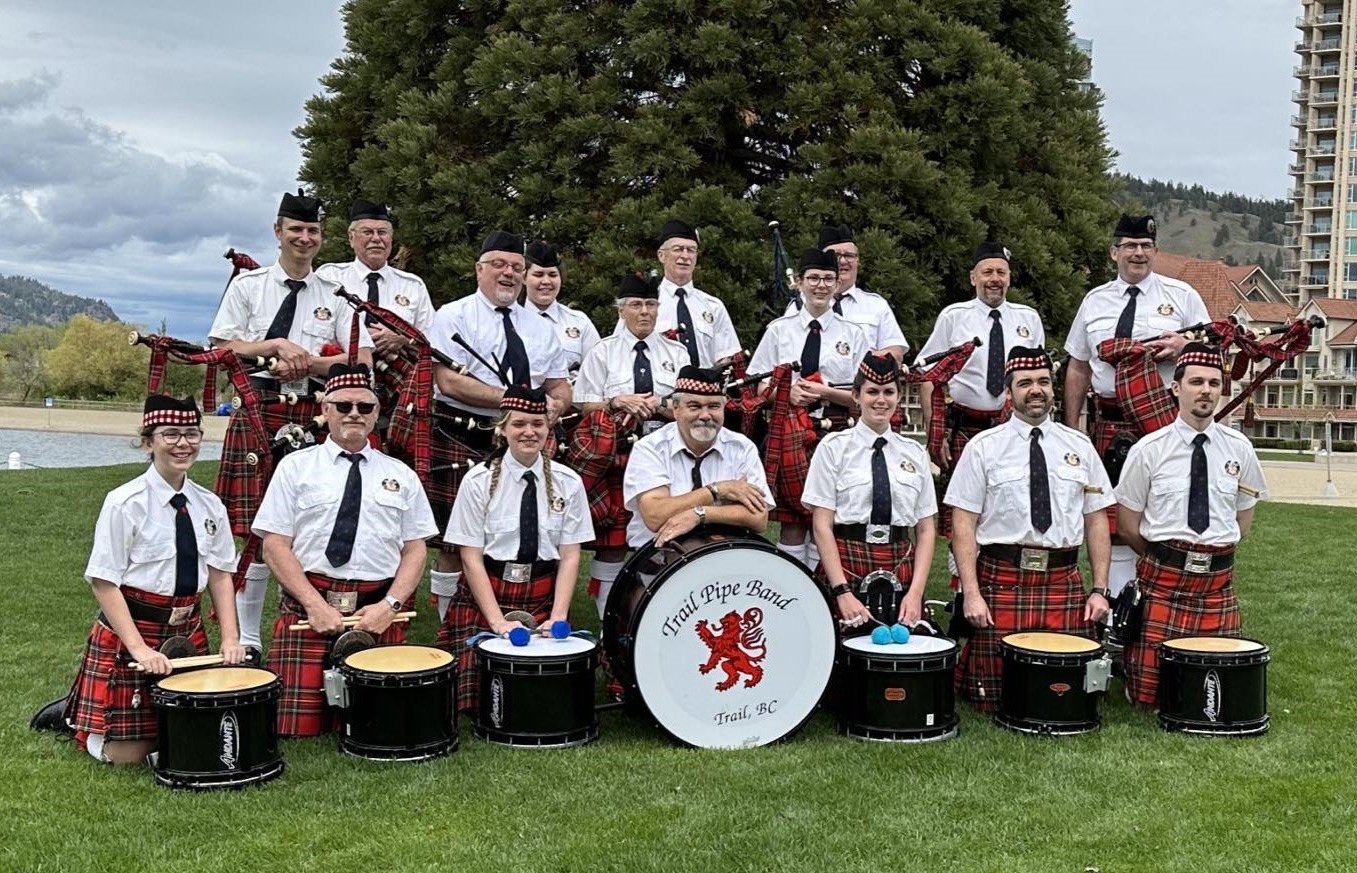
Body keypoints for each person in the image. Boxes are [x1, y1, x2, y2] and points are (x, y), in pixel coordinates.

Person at [209, 190, 375, 657]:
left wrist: (307, 365)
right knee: (254, 527)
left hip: (314, 411)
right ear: (278, 232)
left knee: (301, 522)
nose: (304, 238)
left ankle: (299, 618)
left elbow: (359, 358)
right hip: (258, 408)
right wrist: (275, 346)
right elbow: (222, 347)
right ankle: (247, 637)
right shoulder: (249, 286)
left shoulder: (336, 295)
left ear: (322, 238)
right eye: (296, 230)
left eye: (313, 231)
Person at [48, 395, 243, 763]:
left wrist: (231, 638)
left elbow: (220, 575)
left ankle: (90, 717)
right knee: (130, 755)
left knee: (199, 731)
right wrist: (139, 649)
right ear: (147, 441)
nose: (183, 443)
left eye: (192, 433)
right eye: (170, 434)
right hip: (133, 631)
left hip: (188, 631)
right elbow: (104, 582)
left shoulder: (209, 504)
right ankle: (77, 723)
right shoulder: (125, 502)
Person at [252, 364, 437, 737]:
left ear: (376, 414)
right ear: (324, 408)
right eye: (343, 405)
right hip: (310, 605)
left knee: (382, 724)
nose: (354, 413)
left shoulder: (401, 475)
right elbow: (274, 545)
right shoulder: (294, 468)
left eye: (364, 407)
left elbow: (416, 550)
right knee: (293, 727)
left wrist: (392, 606)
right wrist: (312, 604)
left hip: (376, 610)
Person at [945, 348, 1114, 710]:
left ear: (1053, 389)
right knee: (989, 696)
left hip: (1062, 580)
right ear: (1009, 393)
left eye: (1042, 382)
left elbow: (1097, 520)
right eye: (1024, 383)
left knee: (1065, 689)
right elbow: (963, 523)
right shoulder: (983, 448)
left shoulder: (1080, 447)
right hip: (1001, 578)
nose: (1035, 390)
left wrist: (1100, 589)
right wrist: (971, 593)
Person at [1063, 213, 1210, 606]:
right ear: (1114, 252)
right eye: (1130, 246)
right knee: (1109, 515)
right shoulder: (1094, 301)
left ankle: (1159, 597)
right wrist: (1070, 425)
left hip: (1161, 419)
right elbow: (1077, 366)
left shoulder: (1182, 297)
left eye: (1146, 246)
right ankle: (1109, 605)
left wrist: (1185, 347)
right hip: (1107, 423)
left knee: (1161, 508)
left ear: (1156, 251)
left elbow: (1212, 354)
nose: (1139, 253)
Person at [425, 231, 571, 619]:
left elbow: (559, 383)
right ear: (479, 270)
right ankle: (447, 622)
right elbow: (448, 381)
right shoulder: (453, 315)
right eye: (499, 265)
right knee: (454, 542)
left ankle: (520, 605)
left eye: (517, 267)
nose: (508, 273)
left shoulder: (540, 326)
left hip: (525, 438)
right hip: (463, 432)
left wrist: (555, 405)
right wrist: (513, 401)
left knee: (521, 528)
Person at [1114, 343, 1268, 706]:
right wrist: (1167, 557)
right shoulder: (1149, 449)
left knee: (1220, 692)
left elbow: (1243, 521)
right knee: (1148, 697)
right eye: (1196, 381)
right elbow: (1127, 524)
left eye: (1214, 383)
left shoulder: (1239, 449)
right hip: (1162, 584)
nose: (1206, 390)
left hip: (1216, 586)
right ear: (1176, 387)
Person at [434, 386, 594, 712]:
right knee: (474, 698)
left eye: (537, 424)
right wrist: (497, 623)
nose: (529, 432)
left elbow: (571, 554)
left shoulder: (568, 482)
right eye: (519, 424)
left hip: (543, 594)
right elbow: (470, 558)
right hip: (487, 593)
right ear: (502, 428)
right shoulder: (477, 481)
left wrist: (558, 615)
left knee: (551, 697)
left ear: (549, 429)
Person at [574, 272, 689, 614]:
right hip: (619, 454)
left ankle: (656, 613)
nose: (645, 312)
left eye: (651, 304)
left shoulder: (677, 352)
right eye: (637, 305)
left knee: (667, 535)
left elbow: (690, 404)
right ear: (621, 310)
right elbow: (582, 403)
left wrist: (664, 406)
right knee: (613, 543)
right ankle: (608, 617)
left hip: (668, 455)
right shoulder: (602, 353)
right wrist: (617, 401)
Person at [749, 247, 869, 568]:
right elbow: (756, 387)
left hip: (836, 432)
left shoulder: (854, 335)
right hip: (788, 432)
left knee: (825, 516)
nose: (821, 285)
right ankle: (792, 588)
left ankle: (824, 591)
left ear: (837, 283)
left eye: (828, 278)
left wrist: (825, 391)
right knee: (792, 521)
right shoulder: (779, 330)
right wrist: (784, 395)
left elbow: (866, 396)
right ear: (799, 282)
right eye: (813, 278)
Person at [802, 352, 937, 630]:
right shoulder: (832, 449)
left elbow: (926, 529)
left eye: (889, 392)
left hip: (901, 564)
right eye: (872, 391)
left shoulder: (914, 453)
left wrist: (915, 593)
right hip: (847, 561)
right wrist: (842, 592)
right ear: (855, 395)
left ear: (899, 397)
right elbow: (821, 526)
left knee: (902, 660)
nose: (881, 400)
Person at [623, 365, 774, 549]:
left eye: (714, 406)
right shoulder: (650, 449)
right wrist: (718, 490)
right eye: (694, 406)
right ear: (676, 409)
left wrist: (700, 514)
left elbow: (759, 518)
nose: (705, 415)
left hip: (727, 556)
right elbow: (655, 516)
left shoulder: (741, 448)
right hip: (658, 561)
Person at [788, 224, 908, 361]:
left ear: (858, 261)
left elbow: (896, 352)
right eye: (836, 255)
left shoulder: (876, 305)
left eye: (849, 255)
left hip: (863, 380)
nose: (843, 261)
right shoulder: (801, 304)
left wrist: (857, 359)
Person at [642, 219, 742, 368]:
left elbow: (727, 358)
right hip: (660, 390)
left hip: (704, 388)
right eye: (678, 249)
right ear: (661, 255)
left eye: (691, 250)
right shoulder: (642, 305)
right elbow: (623, 352)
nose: (685, 256)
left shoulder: (713, 306)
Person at [520, 241, 600, 379]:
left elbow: (598, 370)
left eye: (552, 275)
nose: (546, 281)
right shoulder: (509, 320)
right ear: (524, 278)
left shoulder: (580, 322)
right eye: (538, 275)